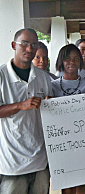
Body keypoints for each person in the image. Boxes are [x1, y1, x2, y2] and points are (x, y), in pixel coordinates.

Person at [0, 28, 53, 193]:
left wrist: (51, 106)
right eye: (24, 44)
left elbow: (48, 112)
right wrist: (19, 105)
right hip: (12, 163)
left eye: (34, 45)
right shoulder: (2, 75)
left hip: (40, 160)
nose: (29, 49)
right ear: (13, 45)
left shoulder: (43, 77)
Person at [52, 44, 85, 194]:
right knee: (67, 184)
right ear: (61, 61)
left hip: (84, 143)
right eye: (67, 59)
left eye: (76, 59)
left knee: (83, 184)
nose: (71, 62)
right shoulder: (51, 87)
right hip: (61, 144)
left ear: (81, 62)